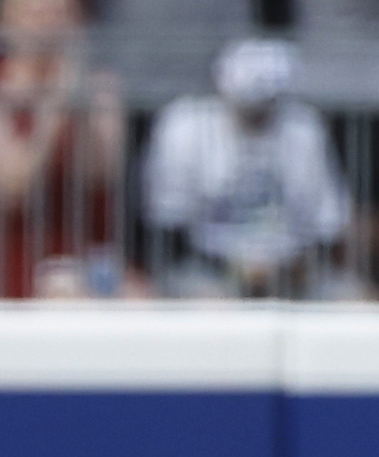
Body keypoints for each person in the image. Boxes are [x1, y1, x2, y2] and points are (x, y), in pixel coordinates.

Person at [143, 33, 355, 295]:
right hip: (206, 268)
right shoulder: (185, 125)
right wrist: (233, 268)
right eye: (250, 105)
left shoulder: (304, 129)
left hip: (294, 272)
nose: (259, 115)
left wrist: (291, 268)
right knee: (214, 311)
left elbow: (328, 226)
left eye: (268, 103)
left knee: (358, 303)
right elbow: (167, 227)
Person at [0, 0, 132, 294]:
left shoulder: (101, 89)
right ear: (3, 23)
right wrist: (55, 103)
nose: (46, 27)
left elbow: (101, 172)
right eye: (33, 15)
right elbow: (12, 187)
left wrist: (79, 95)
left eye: (58, 14)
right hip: (13, 261)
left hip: (88, 259)